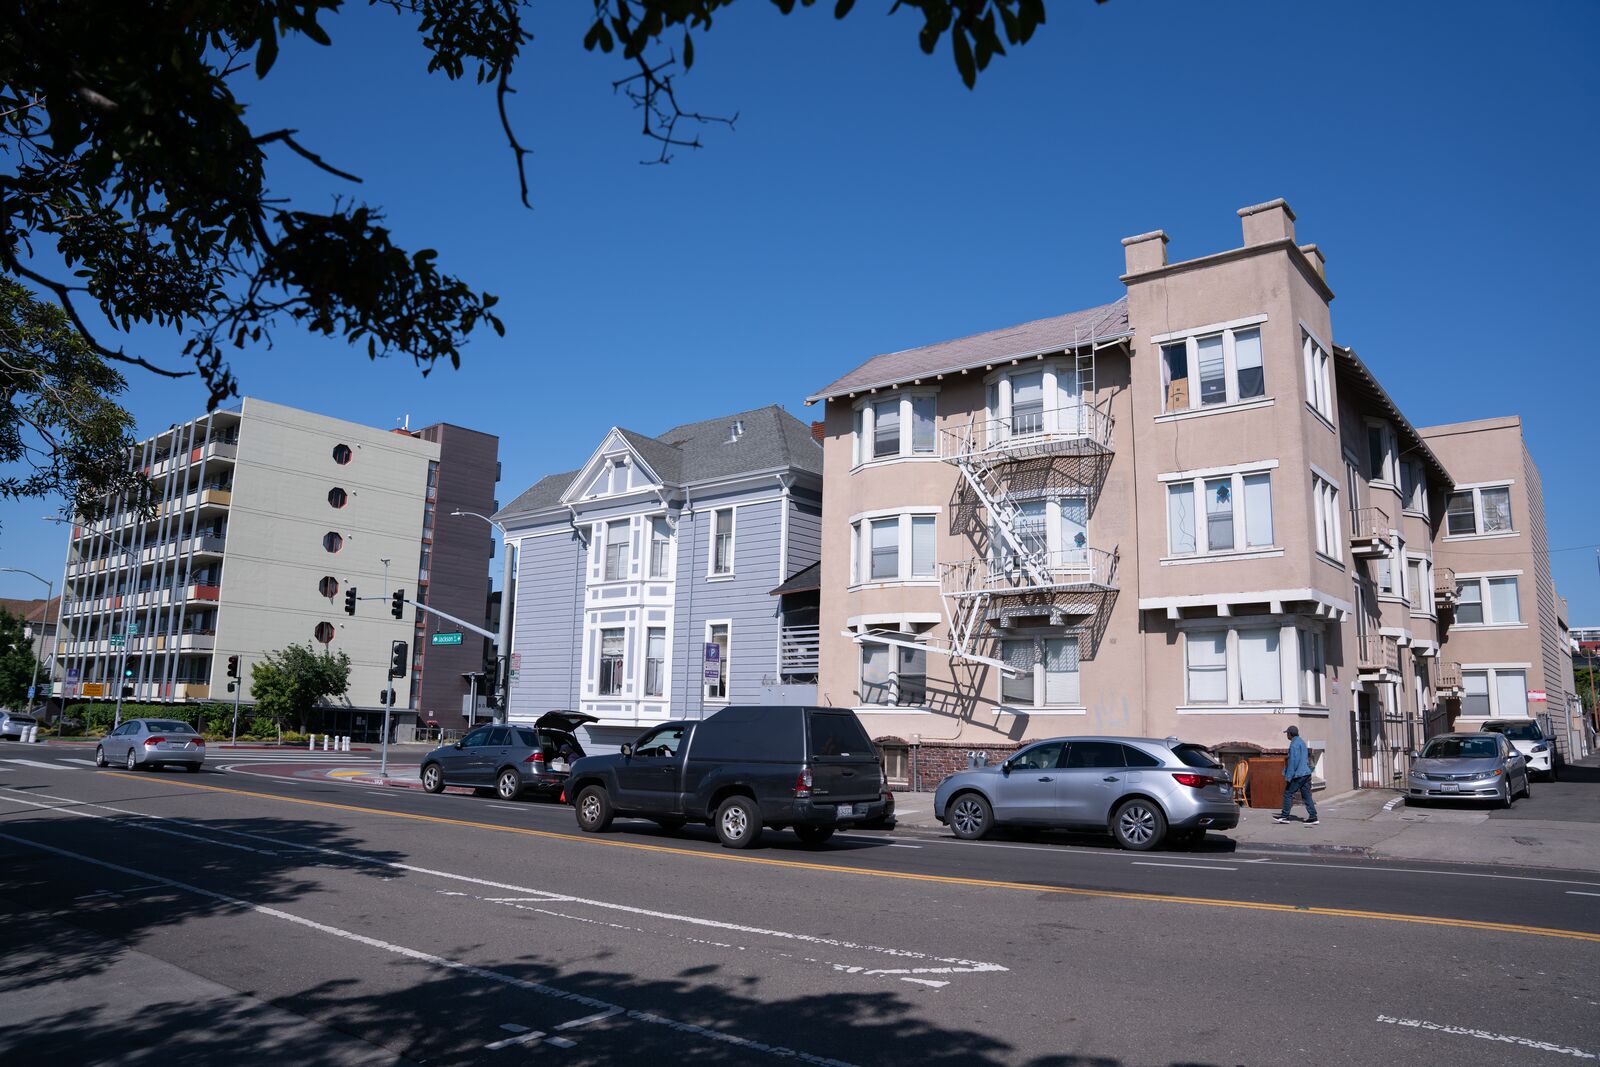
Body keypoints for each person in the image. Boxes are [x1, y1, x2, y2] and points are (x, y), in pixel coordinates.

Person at [1274, 725, 1318, 825]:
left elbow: (1293, 762)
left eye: (1287, 733)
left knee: (1288, 793)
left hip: (1298, 774)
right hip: (1306, 773)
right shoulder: (1301, 742)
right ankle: (1313, 817)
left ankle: (1285, 816)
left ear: (1290, 734)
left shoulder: (1294, 744)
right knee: (1306, 795)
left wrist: (1288, 777)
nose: (1287, 735)